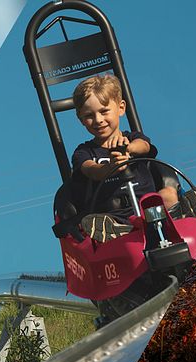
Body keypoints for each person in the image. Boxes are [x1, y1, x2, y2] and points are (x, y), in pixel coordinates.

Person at [70, 74, 182, 242]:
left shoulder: (133, 138)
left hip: (149, 207)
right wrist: (111, 167)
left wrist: (128, 149)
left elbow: (144, 146)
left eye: (104, 111)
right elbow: (91, 170)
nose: (98, 120)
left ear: (121, 108)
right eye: (89, 116)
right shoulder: (83, 152)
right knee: (101, 221)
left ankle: (178, 215)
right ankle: (117, 232)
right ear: (81, 120)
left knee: (168, 194)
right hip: (114, 215)